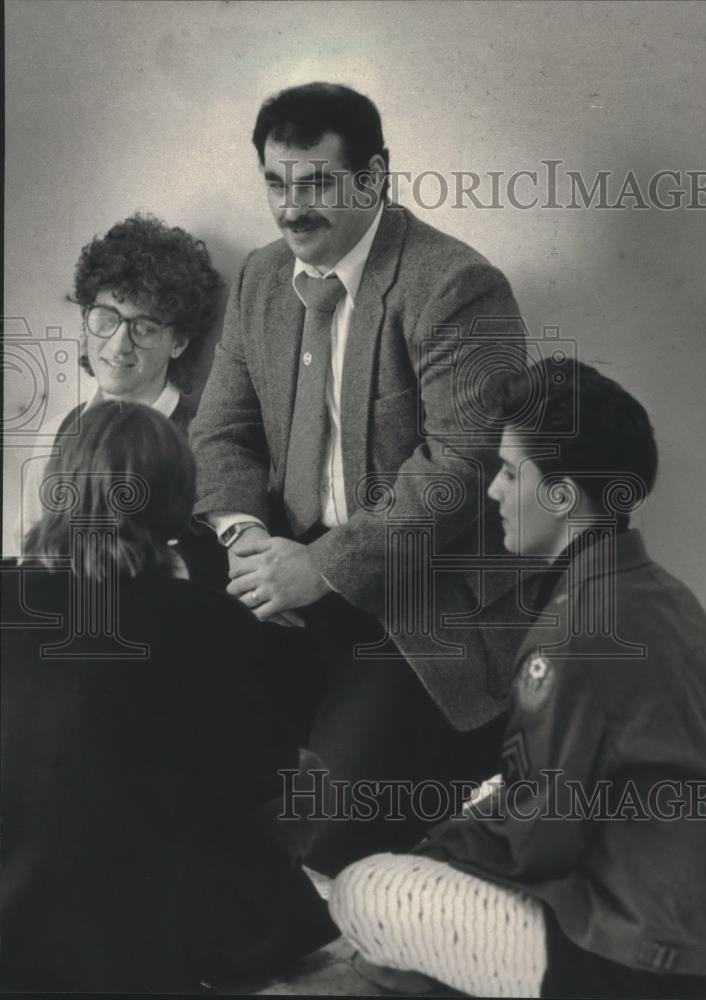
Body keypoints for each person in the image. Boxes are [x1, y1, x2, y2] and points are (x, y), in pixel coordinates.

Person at [191, 82, 531, 875]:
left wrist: (321, 568)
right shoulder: (260, 278)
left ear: (374, 177)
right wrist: (245, 540)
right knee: (184, 770)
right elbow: (223, 430)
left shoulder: (456, 285)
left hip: (416, 612)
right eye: (277, 183)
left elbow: (459, 469)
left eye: (316, 183)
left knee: (319, 841)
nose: (290, 208)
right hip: (287, 587)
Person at [329, 359, 706, 998]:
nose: (493, 492)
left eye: (510, 473)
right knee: (478, 806)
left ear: (562, 496)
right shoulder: (662, 593)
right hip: (687, 924)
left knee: (363, 887)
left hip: (636, 953)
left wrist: (437, 848)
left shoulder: (573, 626)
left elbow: (539, 837)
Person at [0, 401, 336, 994]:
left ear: (57, 486)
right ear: (177, 502)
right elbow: (257, 781)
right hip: (139, 944)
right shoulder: (211, 622)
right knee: (302, 777)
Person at [16, 212, 226, 588]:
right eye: (106, 318)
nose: (118, 345)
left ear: (179, 341)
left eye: (143, 327)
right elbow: (29, 563)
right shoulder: (54, 434)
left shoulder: (208, 442)